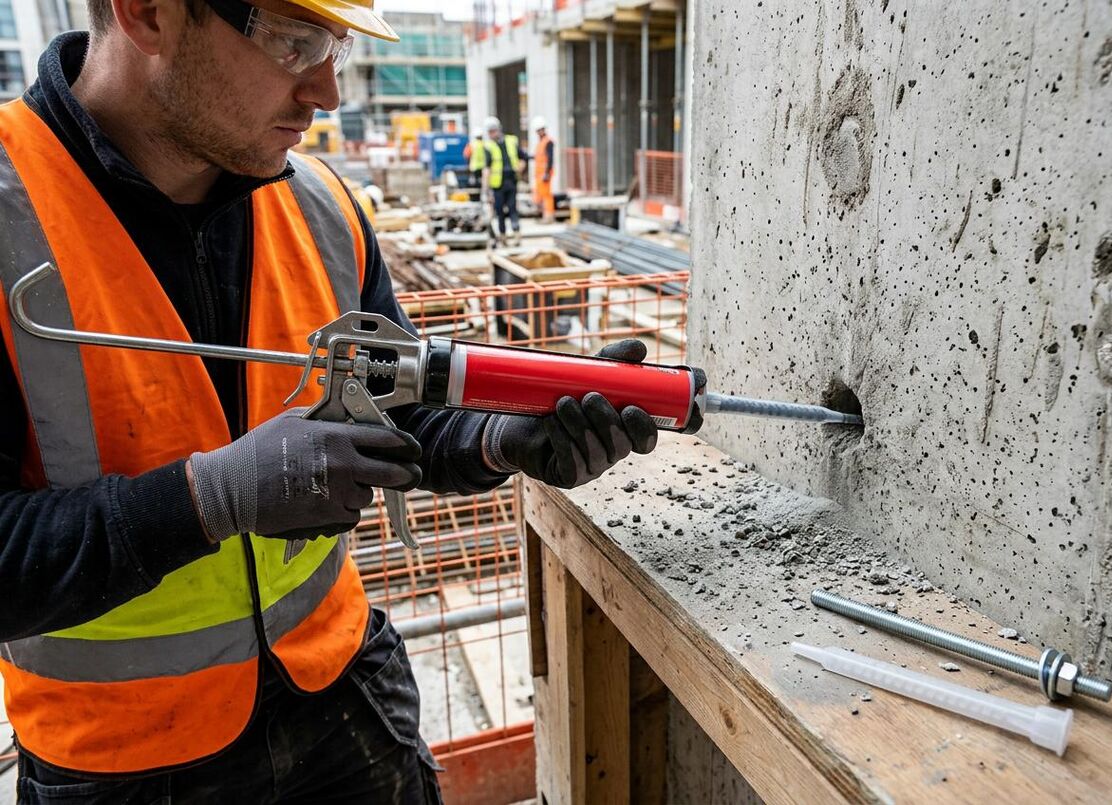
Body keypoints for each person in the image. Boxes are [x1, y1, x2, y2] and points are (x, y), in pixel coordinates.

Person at [0, 0, 684, 801]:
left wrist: (499, 439)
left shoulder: (319, 208)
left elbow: (393, 415)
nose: (326, 93)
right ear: (150, 13)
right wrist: (207, 499)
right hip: (125, 765)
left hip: (341, 699)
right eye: (297, 44)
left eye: (340, 51)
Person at [470, 115, 527, 244]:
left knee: (512, 208)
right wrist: (486, 188)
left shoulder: (511, 141)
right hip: (498, 185)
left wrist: (520, 168)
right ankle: (503, 236)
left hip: (511, 181)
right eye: (489, 132)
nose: (491, 134)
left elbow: (523, 157)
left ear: (498, 129)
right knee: (499, 210)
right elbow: (487, 169)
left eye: (492, 131)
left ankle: (516, 233)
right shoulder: (489, 146)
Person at [529, 115, 555, 222]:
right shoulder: (541, 143)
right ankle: (543, 214)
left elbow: (550, 159)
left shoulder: (548, 142)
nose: (539, 132)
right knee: (539, 195)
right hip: (539, 174)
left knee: (546, 195)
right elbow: (538, 157)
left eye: (541, 130)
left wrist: (547, 173)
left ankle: (549, 216)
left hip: (545, 173)